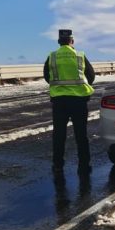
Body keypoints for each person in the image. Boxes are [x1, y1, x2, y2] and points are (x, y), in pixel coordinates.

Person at [44, 29, 95, 176]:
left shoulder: (52, 56)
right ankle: (84, 164)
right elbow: (91, 75)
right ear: (72, 41)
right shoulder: (80, 55)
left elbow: (47, 76)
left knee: (59, 135)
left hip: (59, 101)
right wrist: (80, 86)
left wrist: (60, 87)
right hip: (79, 101)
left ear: (59, 42)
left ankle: (58, 165)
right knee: (81, 134)